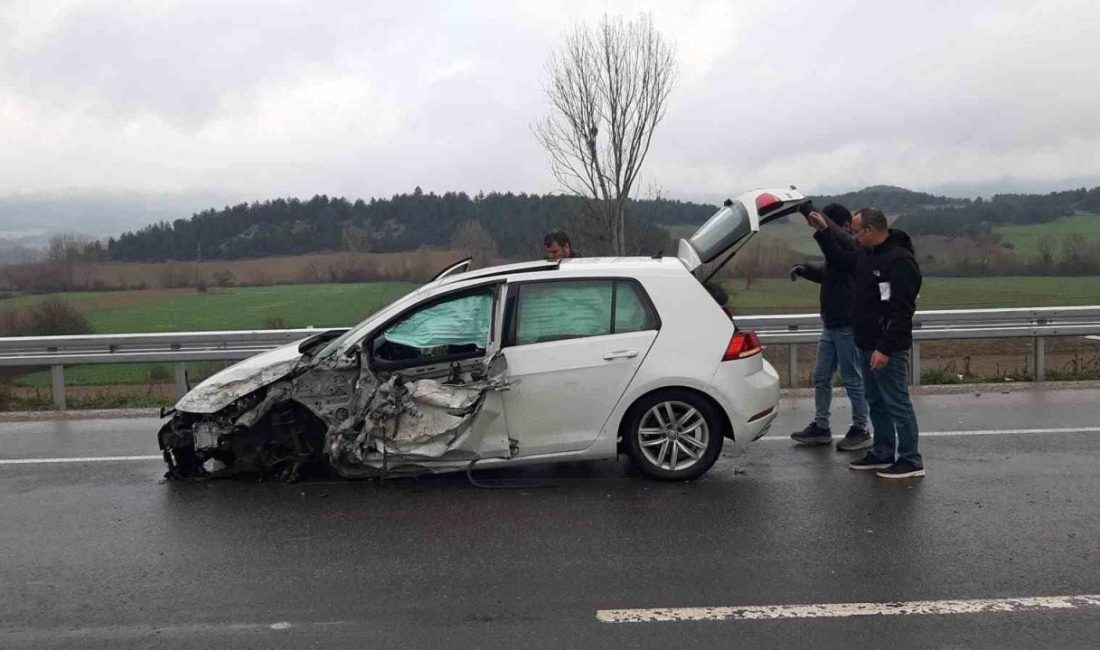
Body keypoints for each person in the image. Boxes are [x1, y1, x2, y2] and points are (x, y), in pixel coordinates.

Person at [810, 207, 925, 479]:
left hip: (887, 348)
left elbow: (901, 311)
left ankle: (911, 460)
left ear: (870, 231)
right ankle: (883, 453)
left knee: (897, 403)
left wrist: (885, 349)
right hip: (865, 342)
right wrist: (823, 232)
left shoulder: (899, 261)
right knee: (875, 401)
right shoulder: (866, 255)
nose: (853, 235)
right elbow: (841, 260)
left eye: (856, 231)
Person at [789, 203, 871, 451]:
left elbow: (838, 260)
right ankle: (821, 427)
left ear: (843, 226)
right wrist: (806, 270)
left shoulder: (857, 249)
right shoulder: (841, 248)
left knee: (852, 379)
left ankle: (861, 429)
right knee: (822, 377)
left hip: (847, 325)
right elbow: (830, 271)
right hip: (831, 324)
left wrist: (821, 226)